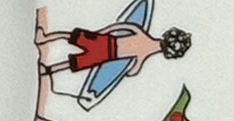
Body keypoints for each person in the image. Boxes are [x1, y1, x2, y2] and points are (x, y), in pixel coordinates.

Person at [37, 18, 192, 79]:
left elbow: (122, 26)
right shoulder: (145, 50)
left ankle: (44, 39)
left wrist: (104, 31)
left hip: (105, 44)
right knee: (76, 61)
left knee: (71, 38)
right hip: (107, 54)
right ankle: (48, 69)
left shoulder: (143, 37)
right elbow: (134, 70)